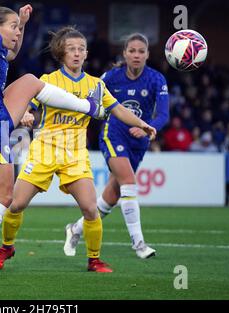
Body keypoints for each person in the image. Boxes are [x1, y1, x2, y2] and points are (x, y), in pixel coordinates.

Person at [0, 5, 110, 286]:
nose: (17, 32)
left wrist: (21, 22)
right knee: (3, 196)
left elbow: (12, 52)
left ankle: (89, 107)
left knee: (30, 81)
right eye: (12, 26)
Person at [0, 27, 157, 274]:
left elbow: (118, 110)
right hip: (44, 150)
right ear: (61, 53)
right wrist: (24, 114)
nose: (76, 53)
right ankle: (6, 247)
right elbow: (26, 103)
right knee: (15, 204)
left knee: (90, 208)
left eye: (80, 49)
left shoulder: (96, 85)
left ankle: (94, 259)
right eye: (71, 49)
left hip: (75, 154)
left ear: (86, 53)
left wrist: (142, 123)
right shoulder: (47, 81)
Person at [64, 33, 169, 259]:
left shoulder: (156, 79)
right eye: (132, 51)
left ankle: (75, 229)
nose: (136, 55)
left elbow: (163, 114)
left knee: (111, 196)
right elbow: (90, 99)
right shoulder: (111, 77)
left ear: (148, 54)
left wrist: (147, 128)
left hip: (139, 141)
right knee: (129, 182)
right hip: (114, 134)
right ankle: (139, 243)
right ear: (125, 53)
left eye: (141, 51)